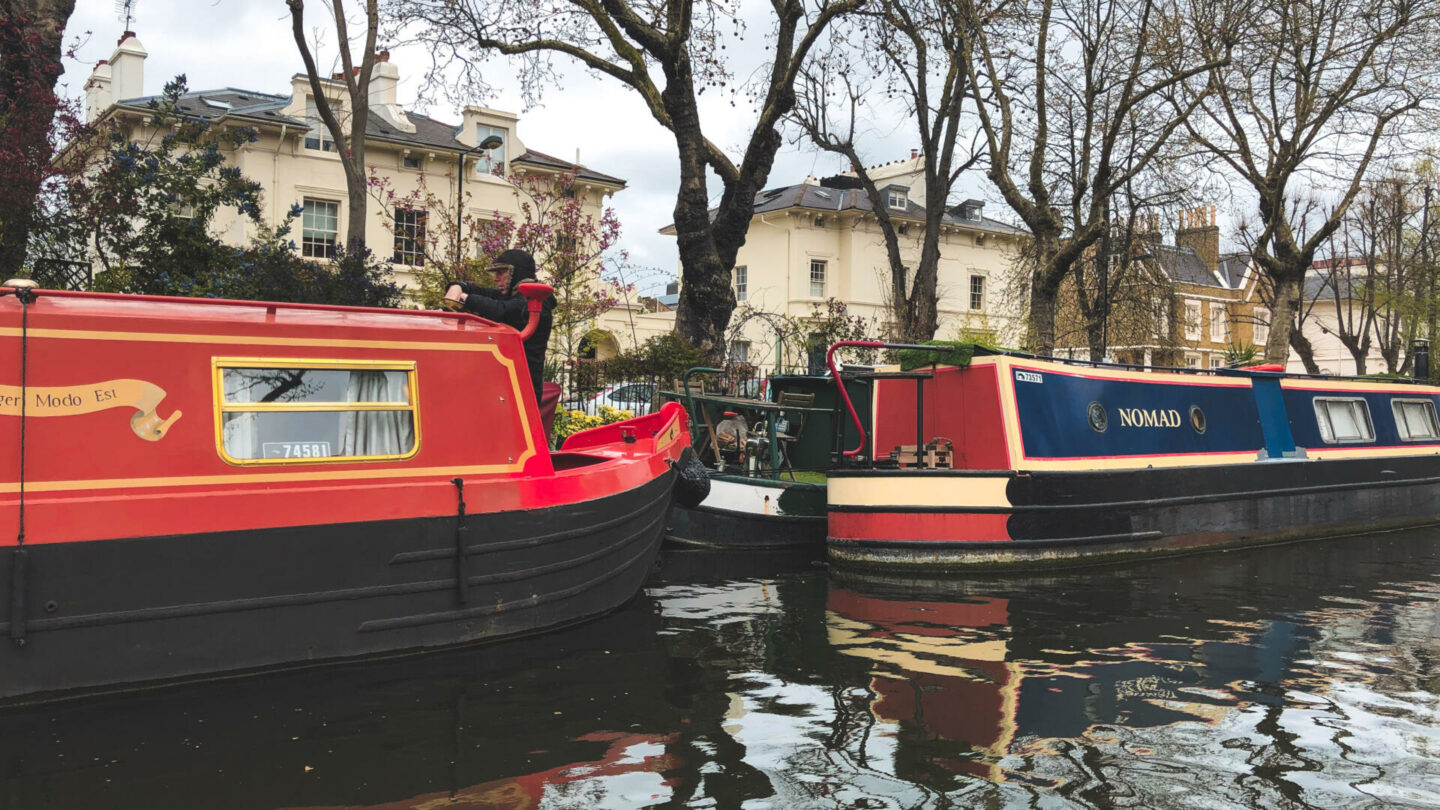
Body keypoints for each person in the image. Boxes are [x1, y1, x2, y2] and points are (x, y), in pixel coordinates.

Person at [444, 248, 558, 411]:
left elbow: (502, 310)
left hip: (523, 388)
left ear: (515, 273)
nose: (496, 279)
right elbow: (484, 293)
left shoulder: (537, 300)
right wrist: (457, 286)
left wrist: (464, 298)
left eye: (501, 272)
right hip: (504, 385)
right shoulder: (511, 295)